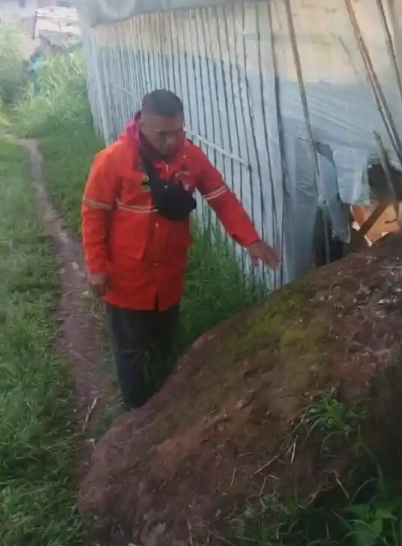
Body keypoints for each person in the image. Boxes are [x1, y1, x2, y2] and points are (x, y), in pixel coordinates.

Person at [81, 90, 281, 410]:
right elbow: (94, 214)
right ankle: (136, 416)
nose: (172, 141)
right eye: (163, 134)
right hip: (126, 280)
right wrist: (96, 267)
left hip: (169, 279)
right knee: (131, 351)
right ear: (142, 124)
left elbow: (221, 198)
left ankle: (164, 406)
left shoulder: (191, 157)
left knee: (164, 344)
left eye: (178, 132)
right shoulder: (113, 160)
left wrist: (250, 240)